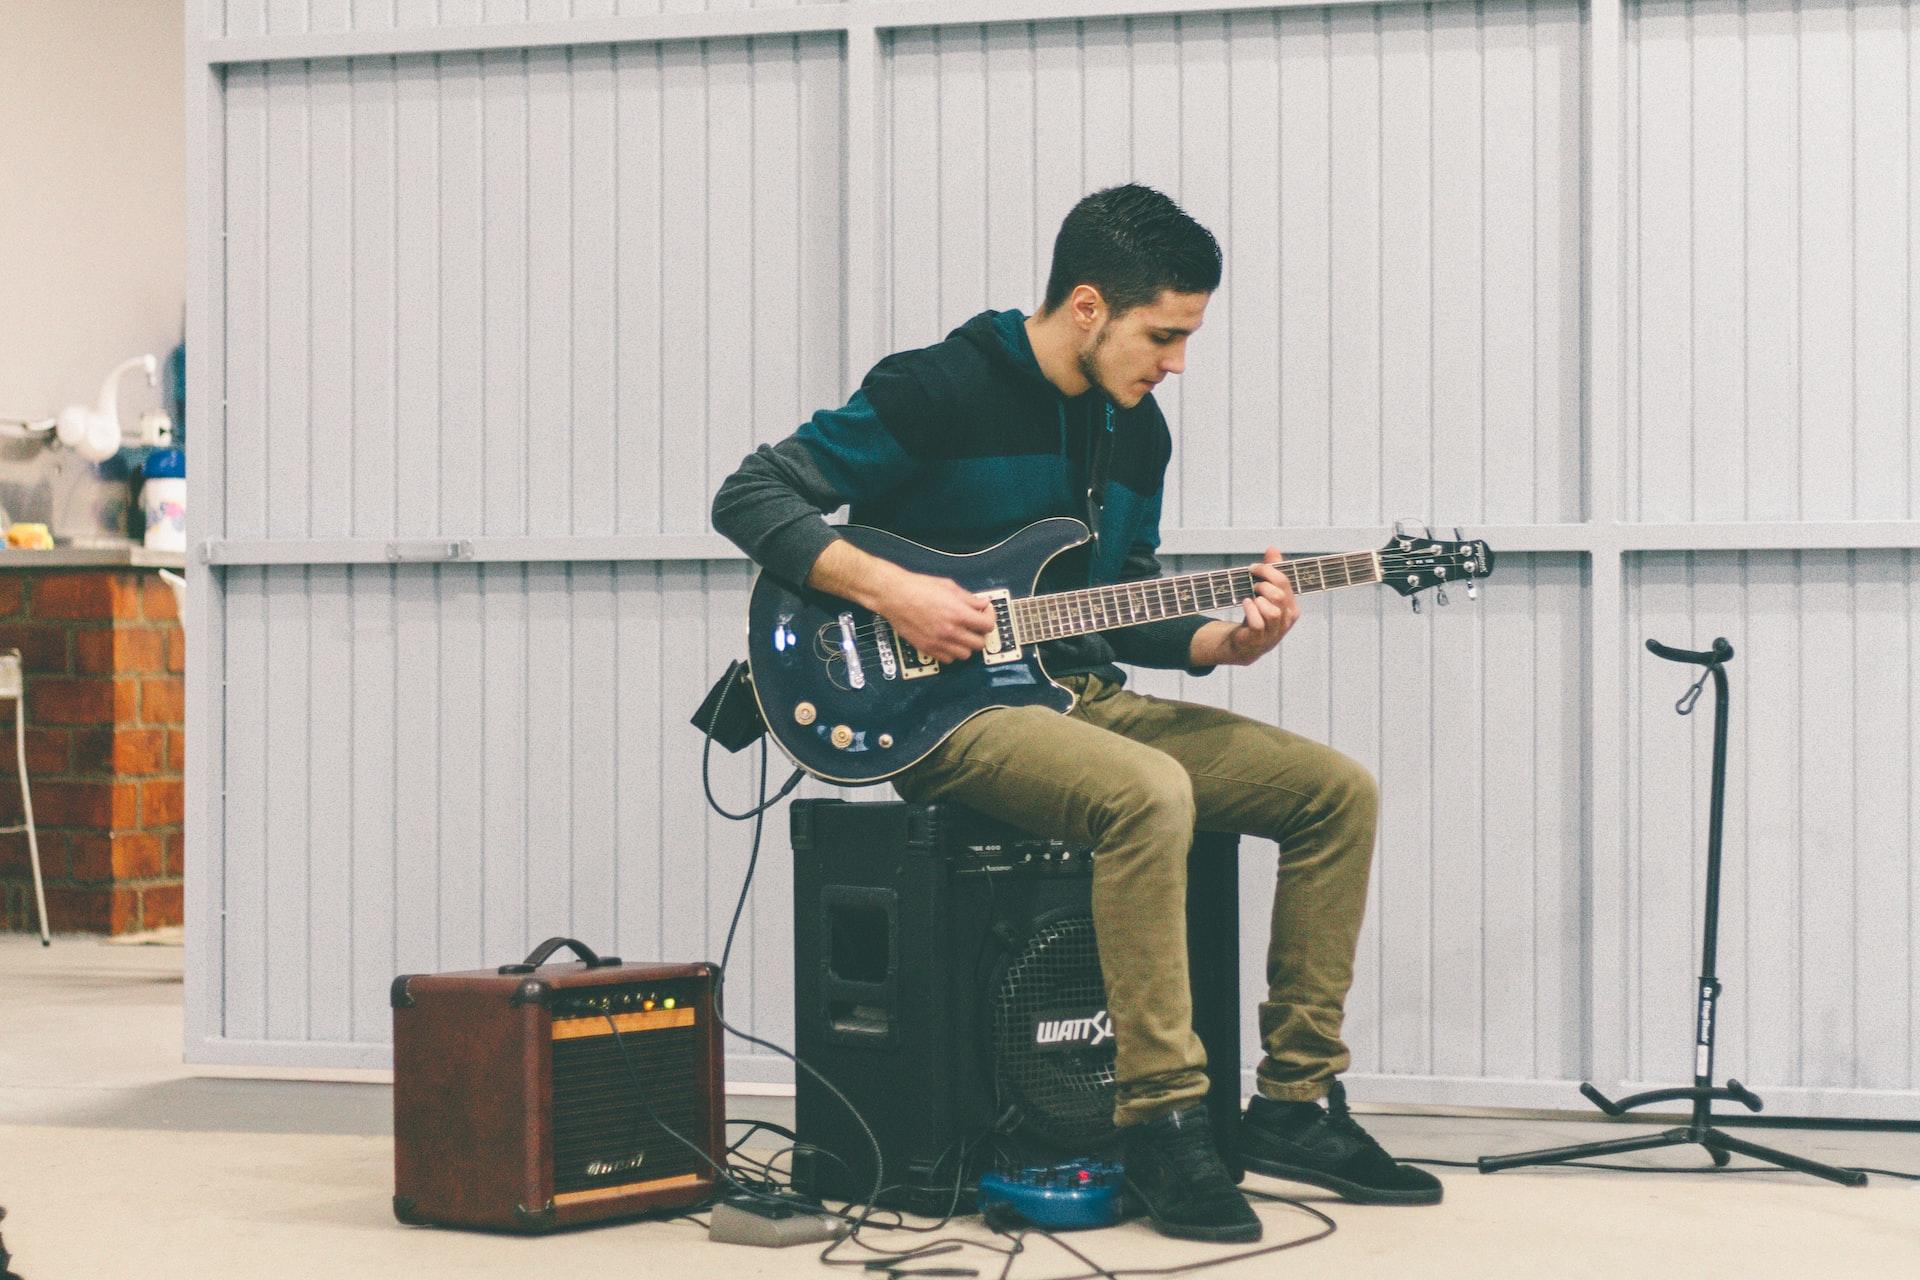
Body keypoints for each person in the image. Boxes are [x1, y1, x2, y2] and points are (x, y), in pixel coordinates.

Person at [712, 184, 1440, 1242]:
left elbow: (1120, 598)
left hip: (1077, 695)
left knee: (1336, 792)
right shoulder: (937, 387)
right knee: (1149, 793)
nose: (1176, 362)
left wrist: (1226, 642)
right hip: (944, 714)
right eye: (1165, 335)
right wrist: (896, 591)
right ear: (1089, 306)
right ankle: (1165, 1122)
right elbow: (750, 495)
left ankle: (1292, 1103)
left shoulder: (1137, 433)